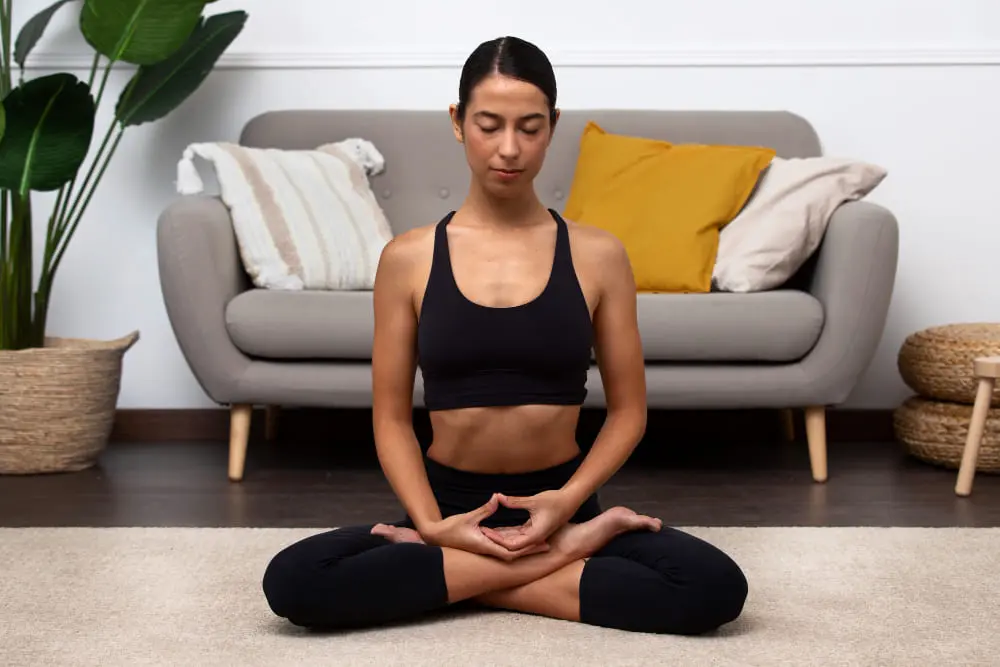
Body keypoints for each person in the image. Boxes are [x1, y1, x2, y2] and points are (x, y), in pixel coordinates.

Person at [262, 35, 748, 635]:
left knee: (715, 587)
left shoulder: (598, 254)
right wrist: (433, 526)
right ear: (457, 122)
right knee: (292, 580)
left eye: (530, 127)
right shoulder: (408, 257)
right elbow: (389, 418)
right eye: (489, 125)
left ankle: (455, 579)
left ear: (553, 126)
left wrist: (567, 508)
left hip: (561, 505)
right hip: (447, 510)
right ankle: (545, 560)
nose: (510, 149)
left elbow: (629, 412)